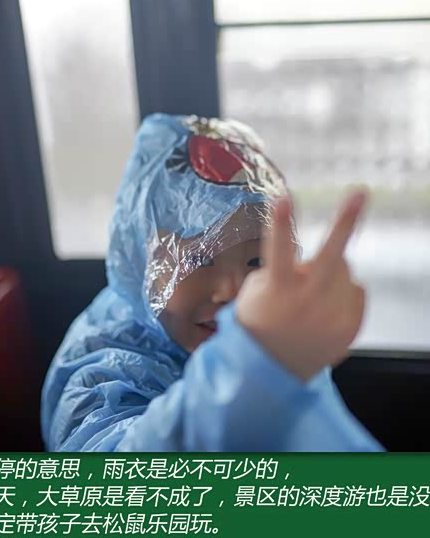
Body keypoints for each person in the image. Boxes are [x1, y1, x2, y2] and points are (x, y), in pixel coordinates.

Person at [40, 113, 383, 452]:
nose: (231, 291)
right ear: (140, 258)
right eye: (197, 260)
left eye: (257, 261)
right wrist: (256, 365)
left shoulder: (267, 328)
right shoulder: (100, 371)